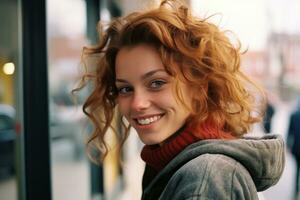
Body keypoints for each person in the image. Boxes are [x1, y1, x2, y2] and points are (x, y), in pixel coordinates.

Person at [76, 0, 285, 199]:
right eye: (125, 89)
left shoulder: (205, 179)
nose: (138, 103)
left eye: (156, 83)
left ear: (199, 86)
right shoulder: (170, 160)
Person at [287, 99, 300, 199]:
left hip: (296, 148)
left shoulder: (293, 115)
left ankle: (296, 189)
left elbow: (289, 133)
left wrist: (288, 146)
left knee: (297, 169)